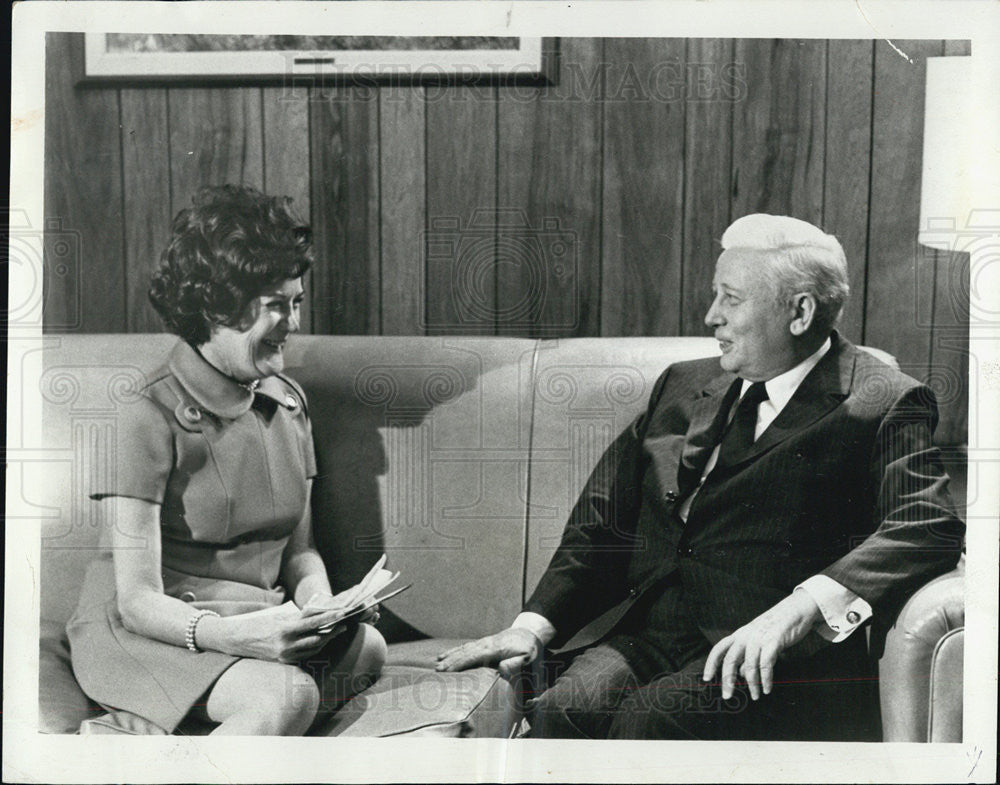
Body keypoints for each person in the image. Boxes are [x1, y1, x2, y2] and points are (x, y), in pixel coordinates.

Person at [437, 213, 965, 740]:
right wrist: (532, 628)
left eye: (731, 298)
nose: (712, 316)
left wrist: (797, 611)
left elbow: (926, 525)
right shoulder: (683, 385)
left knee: (653, 723)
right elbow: (602, 524)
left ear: (799, 312)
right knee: (564, 710)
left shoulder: (884, 399)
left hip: (776, 656)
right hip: (654, 632)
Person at [67, 185, 387, 736]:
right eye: (275, 307)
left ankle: (206, 730)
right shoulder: (144, 412)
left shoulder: (288, 403)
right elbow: (137, 599)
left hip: (255, 617)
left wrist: (322, 609)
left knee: (368, 651)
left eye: (298, 301)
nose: (294, 323)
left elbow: (300, 550)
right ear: (217, 307)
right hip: (154, 629)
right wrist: (239, 639)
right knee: (286, 695)